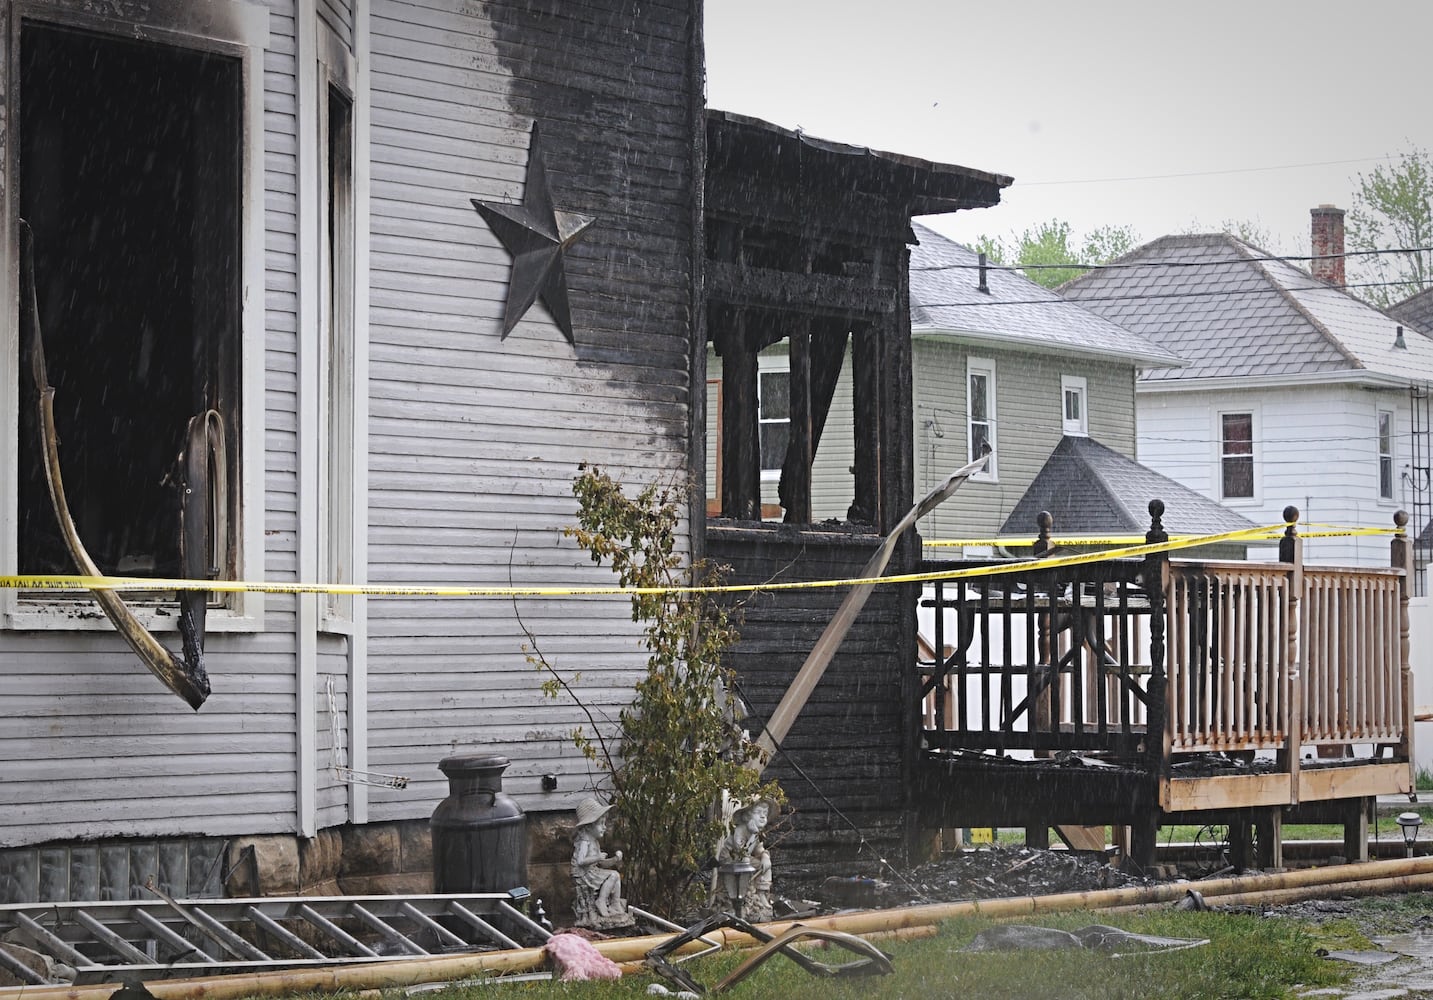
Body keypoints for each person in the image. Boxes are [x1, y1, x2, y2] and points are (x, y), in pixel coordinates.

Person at [571, 797, 628, 925]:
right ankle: (601, 901)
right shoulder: (584, 841)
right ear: (589, 826)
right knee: (614, 875)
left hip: (592, 871)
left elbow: (602, 864)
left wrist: (614, 859)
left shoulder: (594, 842)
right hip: (584, 875)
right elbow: (580, 861)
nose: (604, 827)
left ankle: (615, 904)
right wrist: (597, 857)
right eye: (601, 823)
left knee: (615, 875)